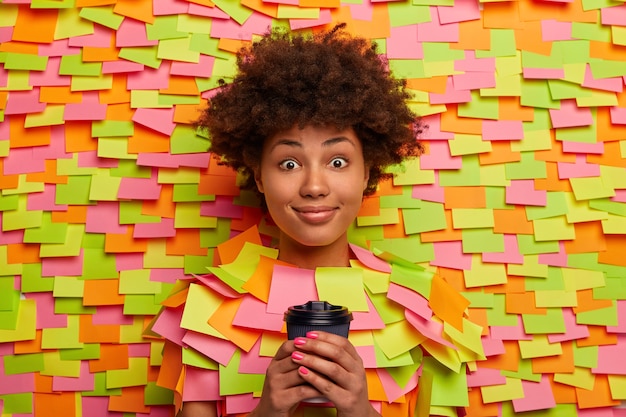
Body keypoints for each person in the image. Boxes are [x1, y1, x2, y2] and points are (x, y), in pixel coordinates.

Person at [150, 23, 474, 417]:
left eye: (338, 161)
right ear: (259, 177)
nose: (314, 186)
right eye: (289, 163)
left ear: (367, 171)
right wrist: (267, 411)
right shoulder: (204, 305)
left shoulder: (424, 304)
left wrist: (360, 410)